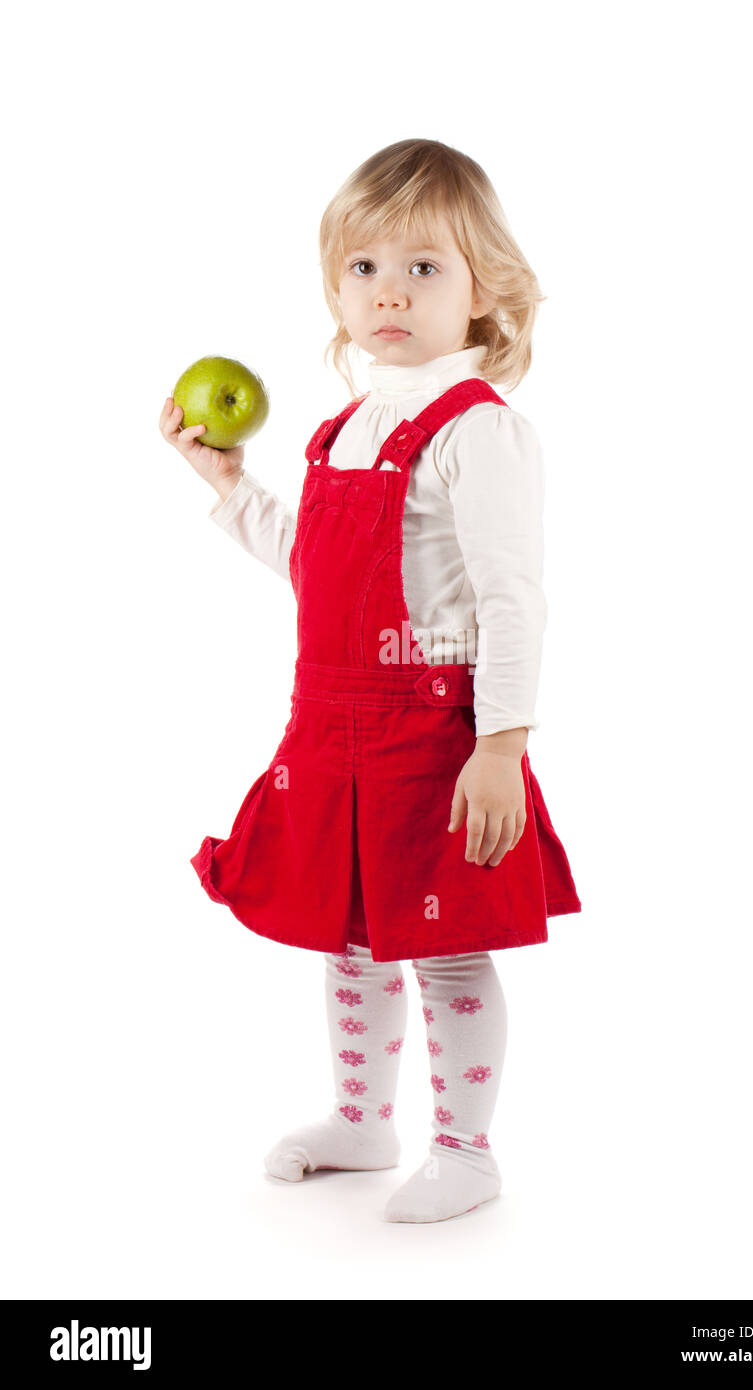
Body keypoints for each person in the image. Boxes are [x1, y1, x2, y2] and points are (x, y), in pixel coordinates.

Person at [159, 138, 581, 1224]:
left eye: (424, 268)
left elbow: (510, 598)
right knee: (345, 934)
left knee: (441, 949)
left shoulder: (477, 430)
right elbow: (312, 562)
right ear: (335, 288)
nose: (388, 290)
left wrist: (501, 745)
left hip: (431, 731)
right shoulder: (343, 429)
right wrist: (227, 484)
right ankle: (363, 1118)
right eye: (362, 268)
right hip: (329, 726)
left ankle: (465, 1146)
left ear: (481, 289)